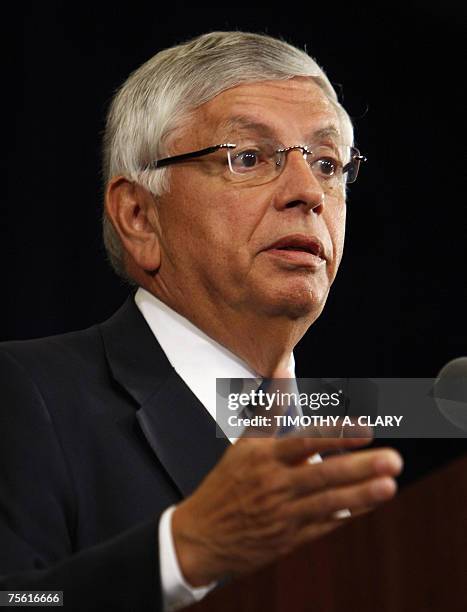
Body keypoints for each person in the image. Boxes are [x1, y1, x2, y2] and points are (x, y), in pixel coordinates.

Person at [0, 31, 402, 611]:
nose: (308, 193)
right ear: (139, 216)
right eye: (249, 157)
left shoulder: (346, 461)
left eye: (327, 163)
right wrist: (182, 551)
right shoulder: (27, 395)